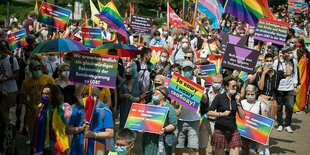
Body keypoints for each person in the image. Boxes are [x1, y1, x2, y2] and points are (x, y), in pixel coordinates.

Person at [66, 85, 114, 155]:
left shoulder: (105, 110)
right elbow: (67, 130)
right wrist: (80, 129)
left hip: (97, 149)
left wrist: (94, 135)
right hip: (77, 149)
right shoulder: (78, 109)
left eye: (94, 95)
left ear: (98, 97)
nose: (89, 97)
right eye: (86, 94)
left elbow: (110, 133)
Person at [174, 60, 207, 155]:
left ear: (192, 69)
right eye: (185, 69)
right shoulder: (177, 80)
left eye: (189, 69)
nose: (187, 71)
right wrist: (175, 109)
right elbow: (173, 100)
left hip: (194, 120)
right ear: (182, 70)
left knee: (192, 149)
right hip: (180, 119)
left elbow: (205, 100)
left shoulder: (199, 81)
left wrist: (198, 89)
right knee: (178, 147)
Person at [208, 76, 246, 155]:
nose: (235, 88)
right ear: (226, 87)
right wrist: (221, 114)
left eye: (236, 86)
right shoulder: (219, 97)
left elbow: (243, 116)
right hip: (220, 130)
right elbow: (209, 112)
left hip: (233, 130)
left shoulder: (236, 98)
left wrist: (238, 103)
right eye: (233, 86)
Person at [20, 60, 55, 144]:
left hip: (47, 109)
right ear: (31, 71)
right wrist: (30, 106)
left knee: (46, 131)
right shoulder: (26, 82)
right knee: (33, 131)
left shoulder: (48, 79)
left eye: (39, 68)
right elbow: (23, 98)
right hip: (33, 111)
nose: (38, 70)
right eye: (35, 69)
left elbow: (55, 92)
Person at [31, 84, 72, 154]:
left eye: (47, 94)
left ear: (53, 95)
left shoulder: (62, 108)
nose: (44, 96)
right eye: (43, 93)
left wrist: (69, 145)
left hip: (55, 145)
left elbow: (66, 128)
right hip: (42, 144)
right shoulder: (40, 107)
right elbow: (35, 124)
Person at [143, 86, 177, 155]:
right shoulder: (149, 105)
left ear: (163, 96)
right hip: (149, 141)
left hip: (162, 141)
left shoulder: (169, 107)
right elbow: (143, 120)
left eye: (157, 93)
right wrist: (141, 128)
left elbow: (173, 124)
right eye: (153, 93)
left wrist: (164, 129)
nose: (154, 95)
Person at [274, 46, 298, 133]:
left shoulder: (293, 61)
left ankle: (287, 124)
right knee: (279, 107)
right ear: (282, 54)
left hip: (290, 87)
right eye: (287, 53)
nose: (288, 54)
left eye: (290, 52)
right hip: (280, 88)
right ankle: (280, 124)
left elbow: (295, 74)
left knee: (290, 107)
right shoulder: (277, 62)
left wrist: (295, 86)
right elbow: (274, 75)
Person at [240, 85, 269, 155]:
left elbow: (265, 119)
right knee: (243, 148)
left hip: (254, 133)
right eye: (248, 94)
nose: (250, 95)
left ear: (256, 94)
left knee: (252, 151)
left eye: (252, 94)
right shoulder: (241, 103)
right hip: (242, 131)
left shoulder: (260, 104)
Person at [200, 74, 224, 155]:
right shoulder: (205, 91)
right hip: (205, 121)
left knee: (217, 147)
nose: (217, 84)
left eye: (219, 82)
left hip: (218, 122)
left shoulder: (225, 93)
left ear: (222, 82)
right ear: (211, 82)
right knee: (202, 145)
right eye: (215, 82)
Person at [0, 45, 19, 122]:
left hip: (10, 90)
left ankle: (8, 128)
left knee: (6, 110)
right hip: (1, 89)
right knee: (2, 110)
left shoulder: (12, 59)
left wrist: (6, 78)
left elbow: (17, 73)